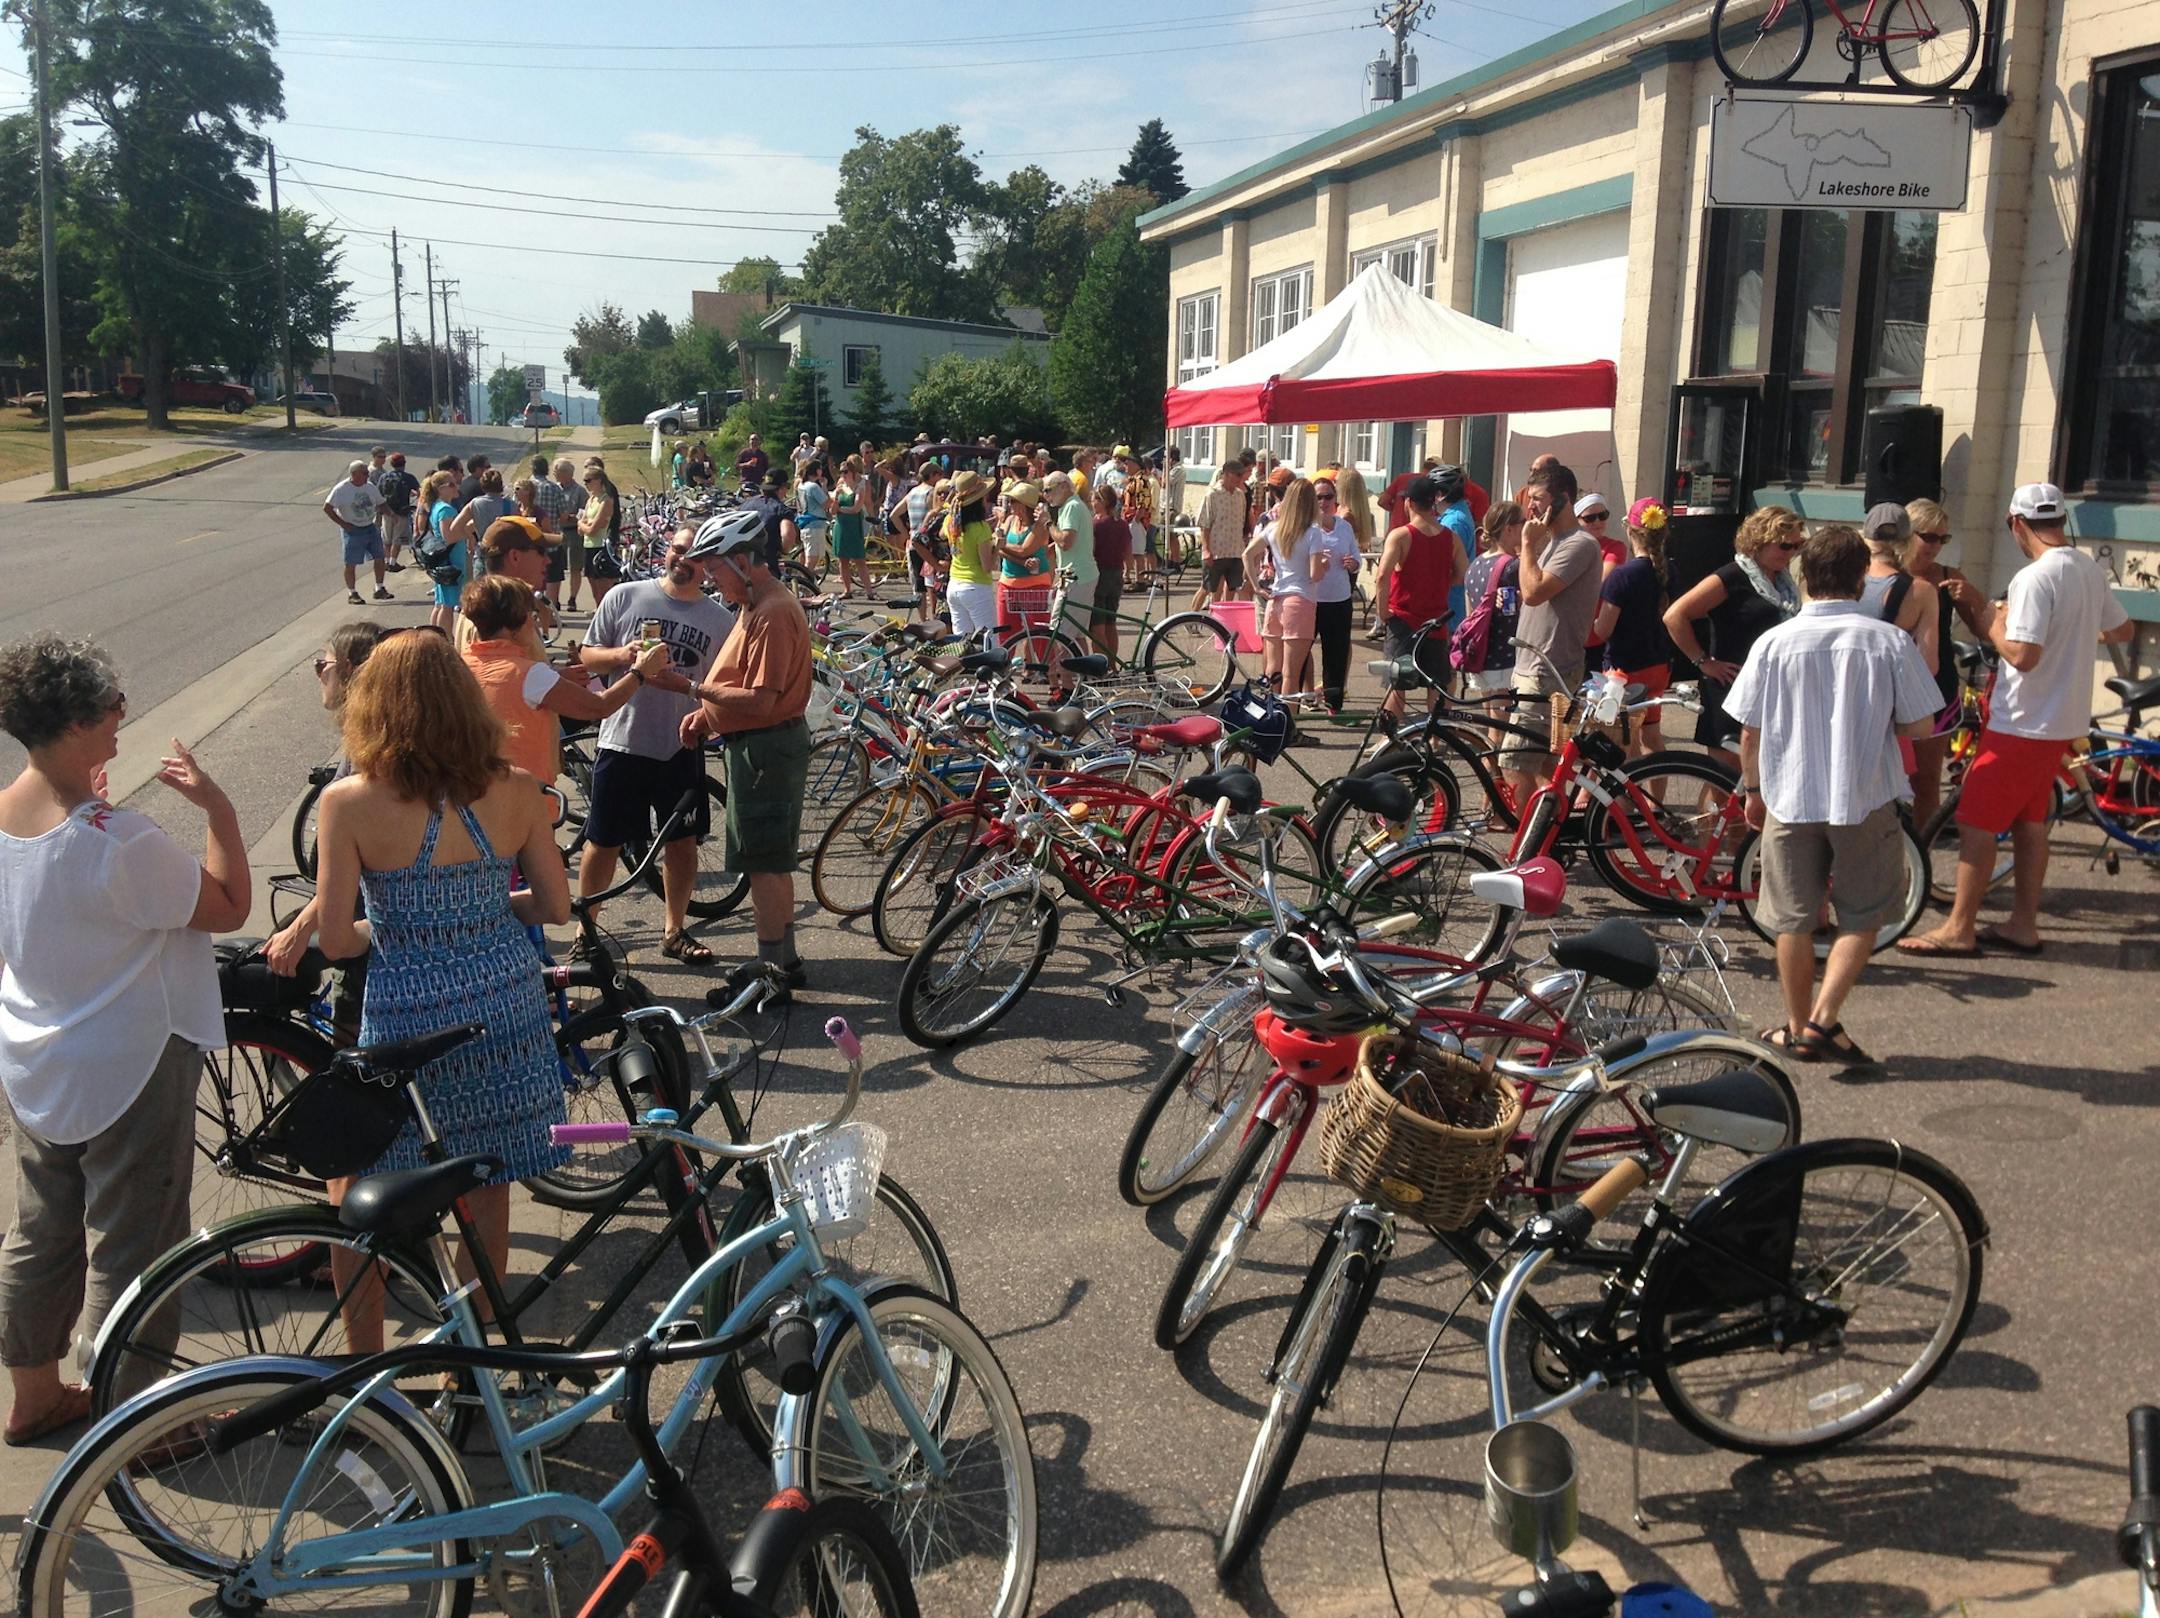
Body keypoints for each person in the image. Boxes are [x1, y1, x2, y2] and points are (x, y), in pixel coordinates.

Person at [0, 635, 248, 1439]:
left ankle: (33, 1394)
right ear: (73, 721)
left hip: (36, 1056)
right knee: (134, 1242)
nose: (121, 717)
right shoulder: (117, 837)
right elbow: (226, 907)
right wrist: (218, 809)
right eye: (109, 706)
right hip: (129, 1058)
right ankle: (136, 1425)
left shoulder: (6, 820)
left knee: (41, 1227)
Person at [313, 631, 570, 1350]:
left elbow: (336, 940)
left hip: (405, 1015)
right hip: (503, 1008)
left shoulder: (349, 803)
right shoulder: (518, 791)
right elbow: (554, 908)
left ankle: (366, 1364)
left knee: (360, 1194)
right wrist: (485, 911)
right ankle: (473, 1359)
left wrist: (394, 929)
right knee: (487, 1187)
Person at [1724, 526, 1942, 1065]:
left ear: (1804, 576)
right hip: (1864, 792)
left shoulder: (1773, 643)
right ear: (1861, 578)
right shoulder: (1887, 640)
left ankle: (1800, 1025)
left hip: (1790, 793)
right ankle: (1822, 1020)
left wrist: (1752, 791)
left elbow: (1748, 730)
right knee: (1864, 912)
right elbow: (1921, 725)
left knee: (1792, 917)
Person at [1902, 482, 2135, 958]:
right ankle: (2022, 925)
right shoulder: (2087, 568)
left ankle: (1959, 928)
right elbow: (2123, 629)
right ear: (2061, 521)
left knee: (1975, 824)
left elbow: (2022, 656)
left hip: (2024, 722)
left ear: (2016, 524)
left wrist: (1990, 615)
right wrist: (2070, 632)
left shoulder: (2034, 578)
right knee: (2031, 825)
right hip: (2059, 720)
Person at [574, 528, 732, 961]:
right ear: (668, 551)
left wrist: (706, 717)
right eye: (679, 549)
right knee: (602, 841)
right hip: (622, 740)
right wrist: (625, 657)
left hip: (680, 746)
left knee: (681, 845)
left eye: (696, 555)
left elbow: (722, 685)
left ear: (708, 565)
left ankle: (674, 931)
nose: (684, 559)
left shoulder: (720, 620)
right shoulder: (626, 596)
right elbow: (587, 655)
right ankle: (587, 932)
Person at [679, 513, 814, 1002]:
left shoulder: (773, 612)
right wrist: (707, 716)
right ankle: (783, 962)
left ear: (743, 561)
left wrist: (691, 688)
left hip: (766, 748)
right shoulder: (755, 603)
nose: (713, 582)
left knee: (764, 865)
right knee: (769, 863)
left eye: (716, 570)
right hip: (757, 745)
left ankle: (771, 974)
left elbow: (760, 700)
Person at [264, 622, 390, 1029]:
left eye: (324, 664)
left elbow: (357, 866)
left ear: (351, 669)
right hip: (363, 919)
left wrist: (301, 929)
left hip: (365, 930)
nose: (319, 672)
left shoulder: (370, 747)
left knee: (353, 1057)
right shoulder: (368, 734)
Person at [460, 572, 669, 784]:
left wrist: (557, 678)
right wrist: (640, 672)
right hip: (523, 793)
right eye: (530, 616)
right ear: (514, 624)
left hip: (474, 790)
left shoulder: (461, 664)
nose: (534, 625)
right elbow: (600, 707)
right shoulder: (529, 674)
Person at [1662, 504, 1802, 770]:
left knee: (1748, 779)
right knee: (1726, 777)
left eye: (1798, 546)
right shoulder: (1732, 576)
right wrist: (1703, 661)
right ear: (1759, 541)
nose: (1792, 553)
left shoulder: (1783, 581)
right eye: (1785, 546)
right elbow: (1674, 616)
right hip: (1730, 686)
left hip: (1768, 688)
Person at [1507, 461, 1603, 803]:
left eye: (1538, 498)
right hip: (1531, 664)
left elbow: (1534, 592)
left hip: (1549, 668)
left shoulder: (1578, 544)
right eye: (1529, 498)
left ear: (1563, 498)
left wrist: (1527, 545)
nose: (1531, 506)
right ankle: (1552, 836)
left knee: (1514, 763)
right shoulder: (1550, 540)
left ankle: (1528, 849)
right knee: (1548, 766)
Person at [1902, 496, 1991, 830]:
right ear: (1906, 533)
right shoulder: (1884, 572)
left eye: (1943, 539)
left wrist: (1973, 597)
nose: (1936, 546)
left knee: (1925, 782)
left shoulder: (1948, 576)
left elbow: (1982, 629)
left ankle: (1921, 857)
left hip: (1935, 690)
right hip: (1889, 688)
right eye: (1929, 537)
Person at [1372, 470, 1469, 719]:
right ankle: (1438, 735)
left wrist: (1383, 613)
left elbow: (1382, 575)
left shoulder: (1402, 535)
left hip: (1404, 618)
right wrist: (1440, 582)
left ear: (1409, 503)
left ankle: (1390, 735)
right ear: (1433, 501)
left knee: (1397, 681)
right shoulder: (1451, 537)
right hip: (1436, 619)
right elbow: (1462, 574)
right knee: (1436, 683)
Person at [1593, 497, 1677, 758]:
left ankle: (1628, 797)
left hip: (1623, 671)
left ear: (1630, 530)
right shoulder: (1670, 570)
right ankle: (1652, 799)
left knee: (1622, 740)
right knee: (1651, 735)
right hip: (1658, 665)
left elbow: (1603, 630)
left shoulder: (1622, 576)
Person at [1246, 476, 1321, 697]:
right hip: (1300, 601)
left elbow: (1247, 554)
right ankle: (1288, 723)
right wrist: (1323, 564)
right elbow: (1315, 574)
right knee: (1291, 673)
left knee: (1273, 669)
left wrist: (1256, 586)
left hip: (1276, 600)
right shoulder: (1312, 532)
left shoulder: (1274, 528)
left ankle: (1271, 718)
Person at [1859, 502, 1941, 685]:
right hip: (1883, 696)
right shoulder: (1921, 591)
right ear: (1909, 541)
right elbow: (1928, 665)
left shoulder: (1841, 579)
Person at [1460, 499, 1525, 706]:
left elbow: (1471, 613)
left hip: (1481, 653)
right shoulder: (1513, 566)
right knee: (1501, 727)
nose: (1527, 526)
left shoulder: (1475, 565)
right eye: (1523, 522)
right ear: (1509, 529)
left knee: (1490, 723)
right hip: (1505, 654)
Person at [1308, 476, 1362, 711]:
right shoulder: (1308, 528)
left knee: (1336, 655)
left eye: (1328, 497)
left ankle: (1334, 705)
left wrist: (1353, 563)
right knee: (1301, 651)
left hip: (1339, 599)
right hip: (1312, 599)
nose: (1323, 502)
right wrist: (1318, 564)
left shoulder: (1344, 526)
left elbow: (1357, 558)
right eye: (1318, 497)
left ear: (1335, 500)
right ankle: (1303, 698)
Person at [942, 470, 1000, 640]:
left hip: (954, 584)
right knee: (989, 641)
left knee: (961, 642)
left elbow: (942, 534)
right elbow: (987, 567)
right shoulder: (980, 528)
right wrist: (997, 546)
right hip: (976, 586)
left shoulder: (951, 522)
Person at [994, 480, 1053, 641]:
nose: (1010, 504)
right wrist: (1021, 562)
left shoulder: (1039, 525)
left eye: (1013, 501)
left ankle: (1038, 666)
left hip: (1035, 586)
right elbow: (997, 548)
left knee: (1039, 636)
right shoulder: (1010, 520)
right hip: (1007, 584)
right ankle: (1006, 666)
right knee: (1005, 635)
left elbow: (1024, 550)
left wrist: (1002, 543)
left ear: (1024, 504)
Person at [325, 459, 390, 606]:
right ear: (354, 474)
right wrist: (343, 524)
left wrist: (390, 513)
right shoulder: (341, 489)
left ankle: (379, 588)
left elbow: (381, 503)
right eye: (364, 473)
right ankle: (352, 592)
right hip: (352, 529)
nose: (367, 476)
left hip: (370, 527)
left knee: (380, 557)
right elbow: (327, 508)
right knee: (351, 562)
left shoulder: (370, 487)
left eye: (367, 473)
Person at [1574, 493, 1628, 664]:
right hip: (1568, 633)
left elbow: (1601, 583)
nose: (1597, 522)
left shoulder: (1615, 547)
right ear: (1577, 520)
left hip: (1596, 635)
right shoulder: (1569, 547)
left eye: (1602, 516)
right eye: (1590, 518)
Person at [1192, 460, 1251, 609]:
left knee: (1232, 587)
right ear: (1226, 474)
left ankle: (1222, 623)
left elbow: (1242, 521)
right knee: (1208, 587)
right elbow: (1204, 523)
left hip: (1235, 549)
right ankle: (1191, 617)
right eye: (1237, 475)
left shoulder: (1240, 495)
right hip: (1216, 550)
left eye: (1241, 475)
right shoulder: (1212, 495)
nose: (1240, 479)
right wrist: (1206, 549)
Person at [1088, 480, 1131, 654]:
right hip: (1116, 573)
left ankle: (1100, 665)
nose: (1092, 503)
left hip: (1099, 574)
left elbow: (1090, 549)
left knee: (1097, 625)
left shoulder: (1096, 525)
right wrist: (1128, 571)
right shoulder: (1121, 524)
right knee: (1111, 623)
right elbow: (1128, 551)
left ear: (1102, 502)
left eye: (1094, 500)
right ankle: (1112, 666)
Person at [419, 471, 465, 633]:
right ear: (441, 489)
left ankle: (435, 635)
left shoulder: (437, 506)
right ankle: (445, 638)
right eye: (451, 485)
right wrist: (469, 530)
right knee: (447, 605)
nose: (456, 487)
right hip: (452, 562)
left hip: (443, 561)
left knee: (440, 603)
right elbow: (449, 537)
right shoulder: (445, 509)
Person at [573, 463, 620, 611]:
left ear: (599, 480)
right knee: (593, 584)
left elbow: (593, 529)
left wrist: (583, 524)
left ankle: (606, 613)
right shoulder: (591, 499)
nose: (586, 484)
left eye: (588, 480)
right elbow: (581, 527)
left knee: (603, 586)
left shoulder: (606, 500)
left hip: (601, 546)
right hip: (588, 546)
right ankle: (599, 610)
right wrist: (583, 524)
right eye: (584, 481)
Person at [831, 454, 871, 600]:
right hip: (841, 525)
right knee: (843, 559)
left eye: (846, 472)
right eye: (841, 472)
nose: (843, 475)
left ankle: (869, 591)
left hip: (853, 524)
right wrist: (836, 498)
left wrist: (841, 510)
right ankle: (847, 590)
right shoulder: (841, 485)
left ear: (853, 472)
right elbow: (832, 510)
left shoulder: (859, 486)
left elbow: (856, 508)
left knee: (859, 559)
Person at [376, 450, 418, 571]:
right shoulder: (408, 477)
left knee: (387, 539)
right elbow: (420, 492)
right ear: (403, 464)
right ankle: (393, 563)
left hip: (387, 511)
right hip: (401, 512)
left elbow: (378, 493)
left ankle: (386, 561)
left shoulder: (384, 477)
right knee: (397, 539)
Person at [796, 459, 831, 574]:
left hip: (805, 523)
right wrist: (825, 486)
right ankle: (804, 583)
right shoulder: (813, 487)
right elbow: (826, 503)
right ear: (816, 471)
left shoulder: (801, 486)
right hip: (814, 525)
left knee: (810, 556)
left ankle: (806, 581)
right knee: (812, 559)